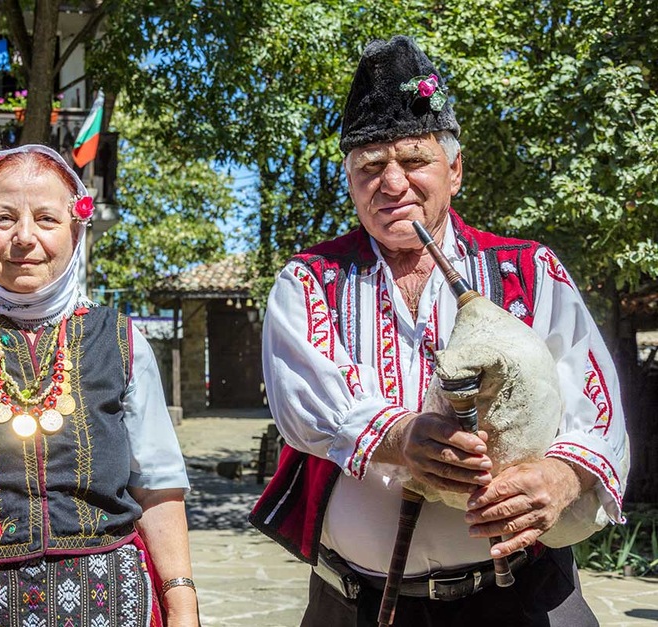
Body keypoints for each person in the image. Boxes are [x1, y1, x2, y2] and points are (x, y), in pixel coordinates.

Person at [249, 36, 629, 626]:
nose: (393, 184)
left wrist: (561, 477)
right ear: (350, 182)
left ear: (454, 170)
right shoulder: (309, 282)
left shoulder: (529, 270)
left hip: (519, 598)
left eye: (413, 160)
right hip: (356, 604)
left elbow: (596, 409)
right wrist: (401, 436)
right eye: (370, 166)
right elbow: (304, 405)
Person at [0, 144, 200, 627]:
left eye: (46, 218)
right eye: (4, 218)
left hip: (106, 603)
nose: (25, 237)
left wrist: (181, 601)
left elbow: (157, 487)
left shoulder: (123, 342)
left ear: (76, 229)